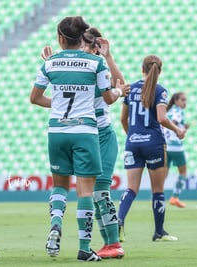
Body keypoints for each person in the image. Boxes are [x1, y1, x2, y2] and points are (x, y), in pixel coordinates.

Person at [40, 27, 129, 260]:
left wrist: (109, 57)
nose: (90, 49)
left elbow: (121, 86)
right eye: (88, 44)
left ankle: (113, 242)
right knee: (92, 191)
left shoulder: (98, 66)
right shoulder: (86, 66)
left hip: (101, 135)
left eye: (93, 45)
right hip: (85, 132)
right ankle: (103, 243)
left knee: (99, 190)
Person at [30, 16, 111, 262]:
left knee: (60, 185)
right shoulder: (97, 62)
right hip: (85, 131)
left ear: (61, 38)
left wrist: (60, 105)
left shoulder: (50, 63)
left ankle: (56, 224)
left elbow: (35, 98)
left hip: (57, 131)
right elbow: (107, 99)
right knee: (85, 190)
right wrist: (117, 91)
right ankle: (85, 248)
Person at [117, 55, 186, 243]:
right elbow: (162, 118)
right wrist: (178, 129)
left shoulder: (130, 89)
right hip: (154, 144)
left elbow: (123, 119)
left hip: (132, 142)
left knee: (131, 188)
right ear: (159, 71)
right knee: (158, 189)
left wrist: (132, 136)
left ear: (142, 69)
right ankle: (159, 231)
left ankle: (119, 220)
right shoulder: (160, 91)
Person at [164, 92, 189, 208]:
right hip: (176, 146)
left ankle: (156, 195)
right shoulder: (178, 112)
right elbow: (173, 123)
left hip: (166, 146)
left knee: (163, 173)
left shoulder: (168, 111)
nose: (185, 103)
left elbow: (166, 124)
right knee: (183, 172)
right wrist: (178, 130)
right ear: (176, 101)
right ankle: (175, 196)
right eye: (183, 100)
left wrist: (183, 127)